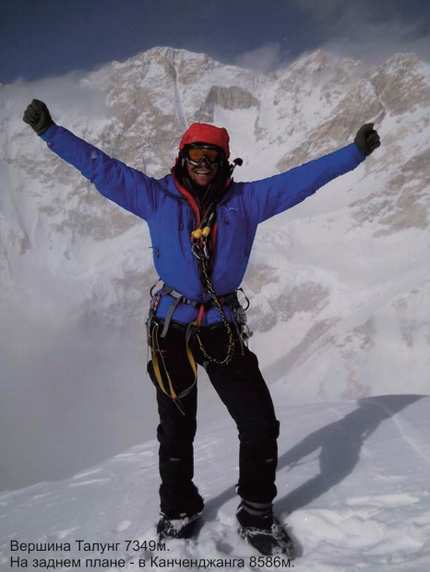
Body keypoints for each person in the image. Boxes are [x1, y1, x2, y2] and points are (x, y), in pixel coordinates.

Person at [23, 99, 380, 555]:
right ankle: (179, 510)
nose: (204, 165)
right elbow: (103, 169)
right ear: (183, 156)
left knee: (258, 423)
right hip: (171, 327)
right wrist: (51, 131)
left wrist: (353, 154)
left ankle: (256, 512)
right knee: (175, 427)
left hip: (220, 327)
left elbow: (300, 182)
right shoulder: (156, 196)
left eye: (213, 158)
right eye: (197, 156)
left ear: (225, 161)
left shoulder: (246, 202)